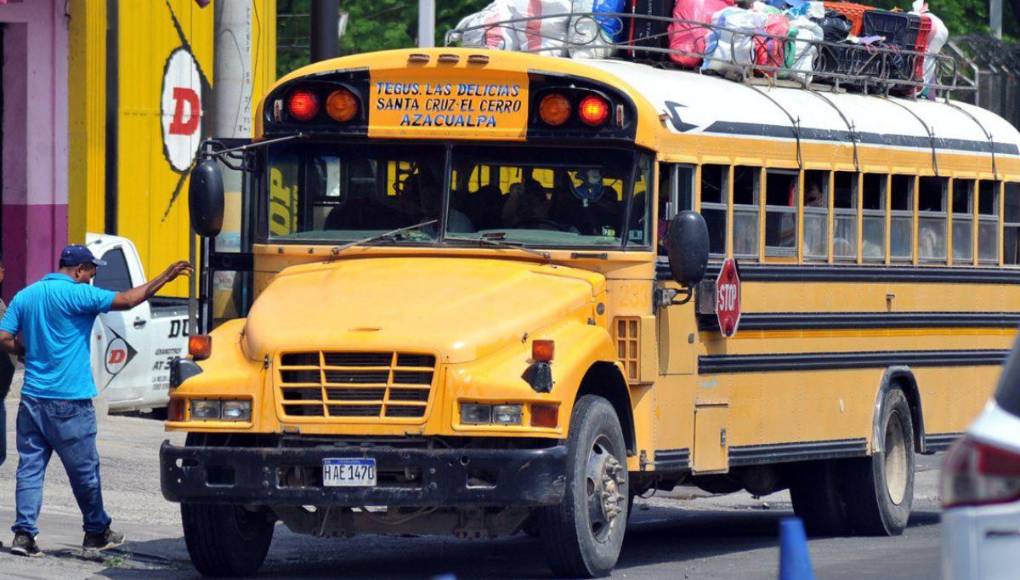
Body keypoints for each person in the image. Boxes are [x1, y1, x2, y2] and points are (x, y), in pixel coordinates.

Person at [0, 245, 191, 557]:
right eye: (92, 271)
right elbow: (129, 300)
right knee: (85, 472)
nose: (93, 277)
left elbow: (4, 336)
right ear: (77, 271)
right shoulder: (78, 295)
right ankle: (96, 531)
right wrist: (165, 277)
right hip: (70, 402)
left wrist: (25, 352)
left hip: (32, 399)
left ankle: (24, 535)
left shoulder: (26, 295)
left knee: (30, 469)